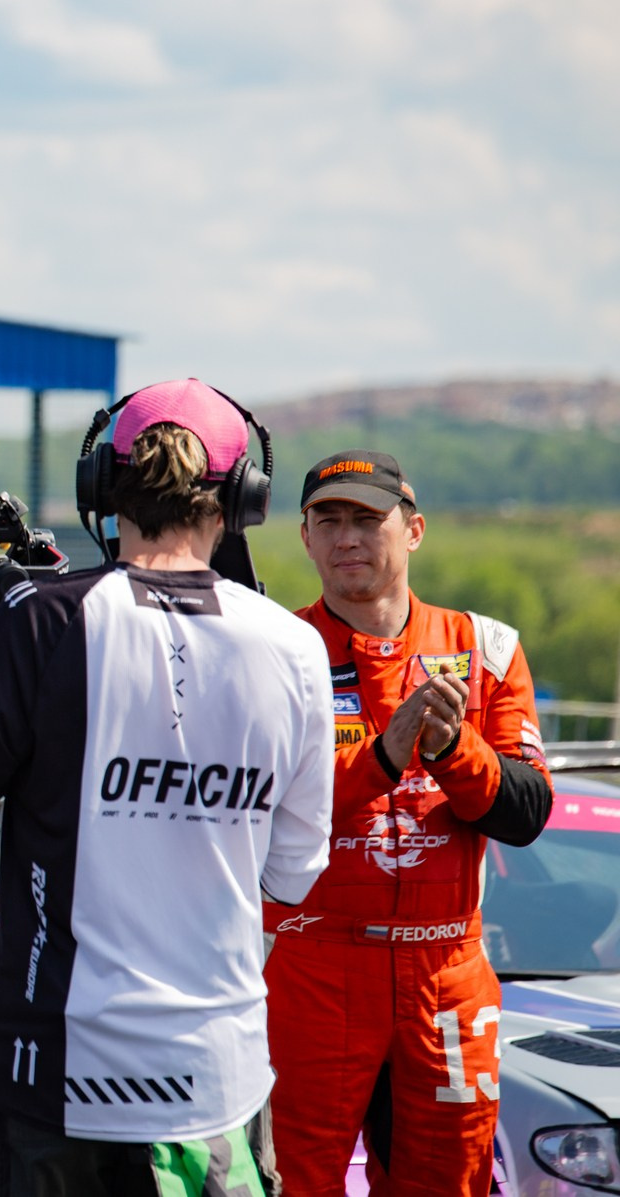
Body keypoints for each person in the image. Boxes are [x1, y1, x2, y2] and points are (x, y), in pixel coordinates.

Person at [0, 379, 335, 1197]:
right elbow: (291, 874)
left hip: (43, 1078)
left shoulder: (44, 620)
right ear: (242, 501)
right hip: (214, 1085)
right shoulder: (295, 648)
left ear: (102, 486)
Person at [266, 451, 552, 1196]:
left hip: (446, 974)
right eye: (329, 520)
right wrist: (384, 758)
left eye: (368, 519)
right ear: (305, 536)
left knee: (449, 1182)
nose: (347, 538)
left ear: (413, 530)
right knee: (290, 1182)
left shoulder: (486, 648)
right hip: (310, 965)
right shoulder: (272, 651)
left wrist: (455, 750)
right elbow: (255, 810)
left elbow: (528, 812)